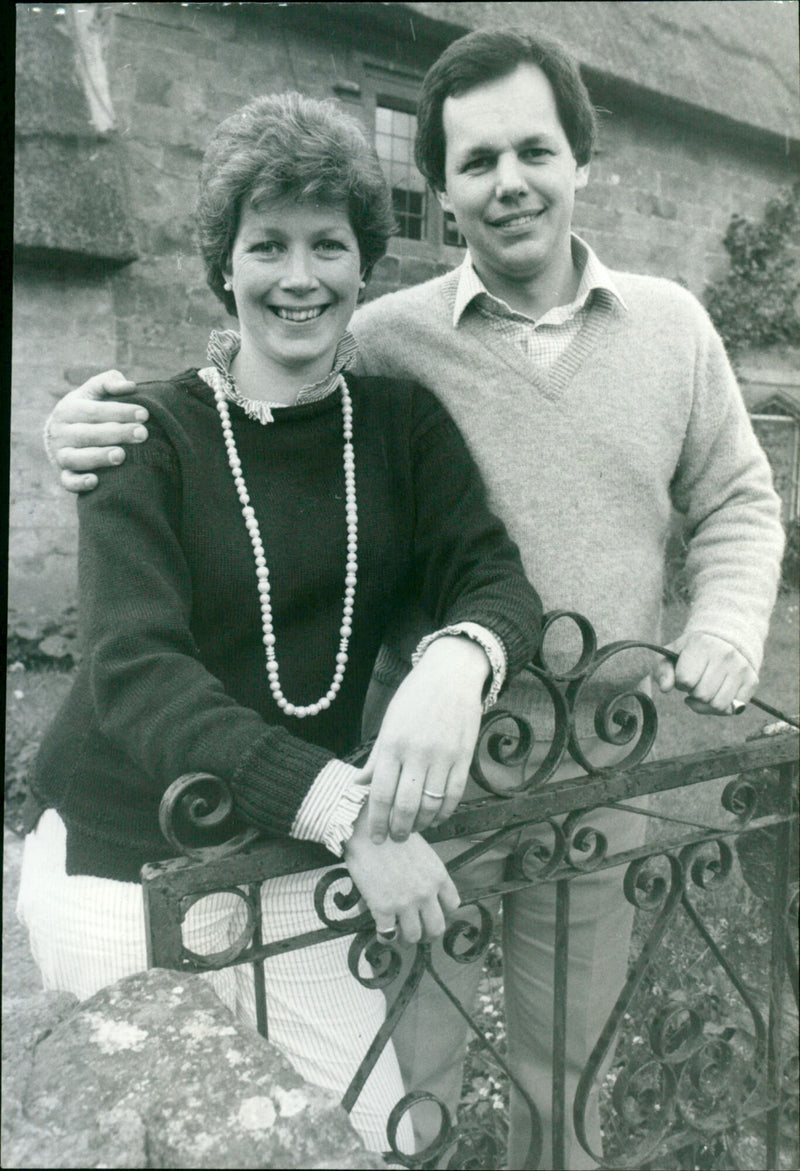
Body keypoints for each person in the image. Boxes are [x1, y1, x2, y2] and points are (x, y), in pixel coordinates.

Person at [42, 28, 785, 1171]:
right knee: (391, 1097)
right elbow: (252, 387)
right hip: (398, 789)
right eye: (476, 161)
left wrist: (706, 626)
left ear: (578, 158)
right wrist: (87, 424)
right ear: (441, 188)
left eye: (533, 149)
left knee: (561, 1080)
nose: (509, 181)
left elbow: (717, 504)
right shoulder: (390, 344)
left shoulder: (650, 333)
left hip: (594, 757)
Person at [17, 90, 545, 1159]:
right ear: (224, 264)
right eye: (266, 245)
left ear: (363, 266)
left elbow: (493, 577)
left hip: (286, 857)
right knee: (174, 1139)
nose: (296, 277)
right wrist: (352, 817)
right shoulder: (146, 433)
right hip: (125, 866)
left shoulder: (400, 426)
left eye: (327, 245)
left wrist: (458, 657)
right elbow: (135, 669)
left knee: (369, 1134)